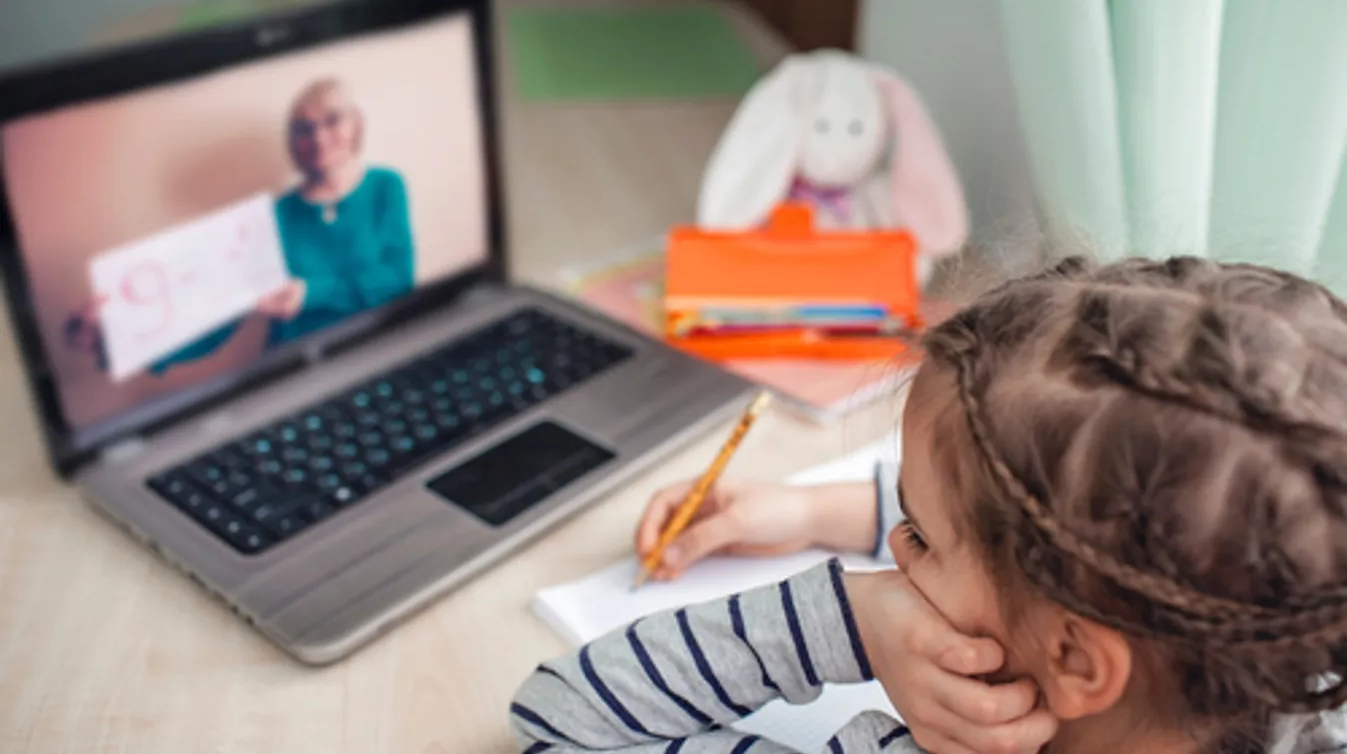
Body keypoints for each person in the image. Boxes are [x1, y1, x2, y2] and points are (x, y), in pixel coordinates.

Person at [509, 256, 1347, 753]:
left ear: (1077, 663)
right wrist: (821, 514)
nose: (894, 554)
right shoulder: (1295, 656)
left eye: (916, 535)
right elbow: (1075, 537)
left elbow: (561, 722)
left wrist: (845, 618)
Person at [64, 77, 415, 374]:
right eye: (304, 128)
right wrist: (123, 339)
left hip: (379, 357)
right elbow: (218, 317)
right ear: (293, 141)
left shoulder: (386, 186)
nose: (319, 138)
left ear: (355, 125)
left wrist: (310, 292)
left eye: (332, 120)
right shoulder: (272, 217)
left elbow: (398, 279)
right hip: (297, 372)